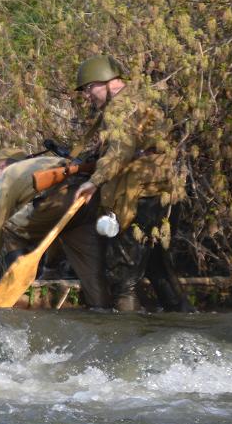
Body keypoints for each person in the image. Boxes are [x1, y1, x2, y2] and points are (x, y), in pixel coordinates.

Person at [72, 55, 190, 312]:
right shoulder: (142, 96)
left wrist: (94, 182)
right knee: (159, 269)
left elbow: (120, 152)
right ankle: (184, 322)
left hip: (140, 197)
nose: (87, 96)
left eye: (89, 88)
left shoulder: (119, 108)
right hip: (164, 195)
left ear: (103, 81)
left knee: (123, 280)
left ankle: (126, 340)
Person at [0, 148, 111, 309]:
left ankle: (21, 293)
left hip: (64, 196)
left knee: (12, 230)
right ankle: (103, 315)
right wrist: (49, 269)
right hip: (87, 199)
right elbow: (53, 229)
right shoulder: (37, 166)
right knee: (92, 277)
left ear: (2, 166)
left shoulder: (7, 175)